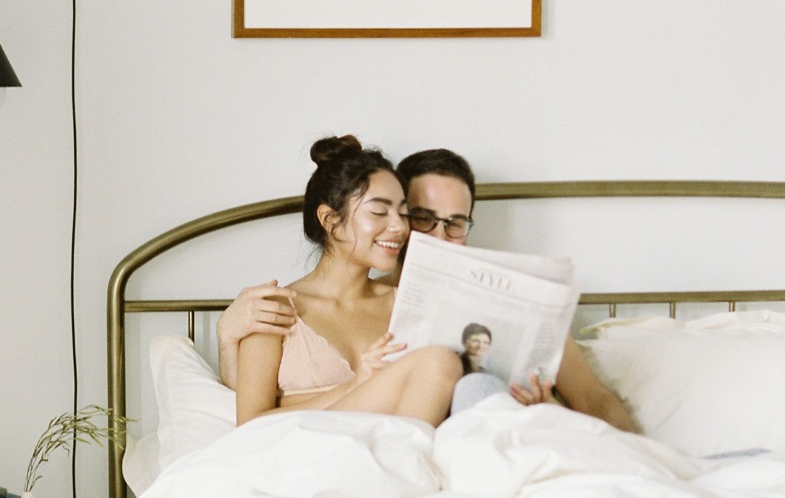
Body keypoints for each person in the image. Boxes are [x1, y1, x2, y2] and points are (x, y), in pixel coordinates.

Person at [219, 146, 638, 432]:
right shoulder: (273, 308)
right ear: (333, 219)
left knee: (475, 388)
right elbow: (250, 417)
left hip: (493, 444)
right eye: (420, 217)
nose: (434, 235)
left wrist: (548, 411)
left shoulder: (430, 304)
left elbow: (594, 399)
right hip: (349, 455)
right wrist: (225, 338)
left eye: (455, 223)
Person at [235, 136, 463, 428]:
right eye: (379, 212)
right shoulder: (273, 309)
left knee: (443, 365)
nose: (399, 226)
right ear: (330, 220)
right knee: (438, 362)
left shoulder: (406, 301)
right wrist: (356, 385)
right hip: (302, 452)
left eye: (403, 212)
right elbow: (249, 425)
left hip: (388, 451)